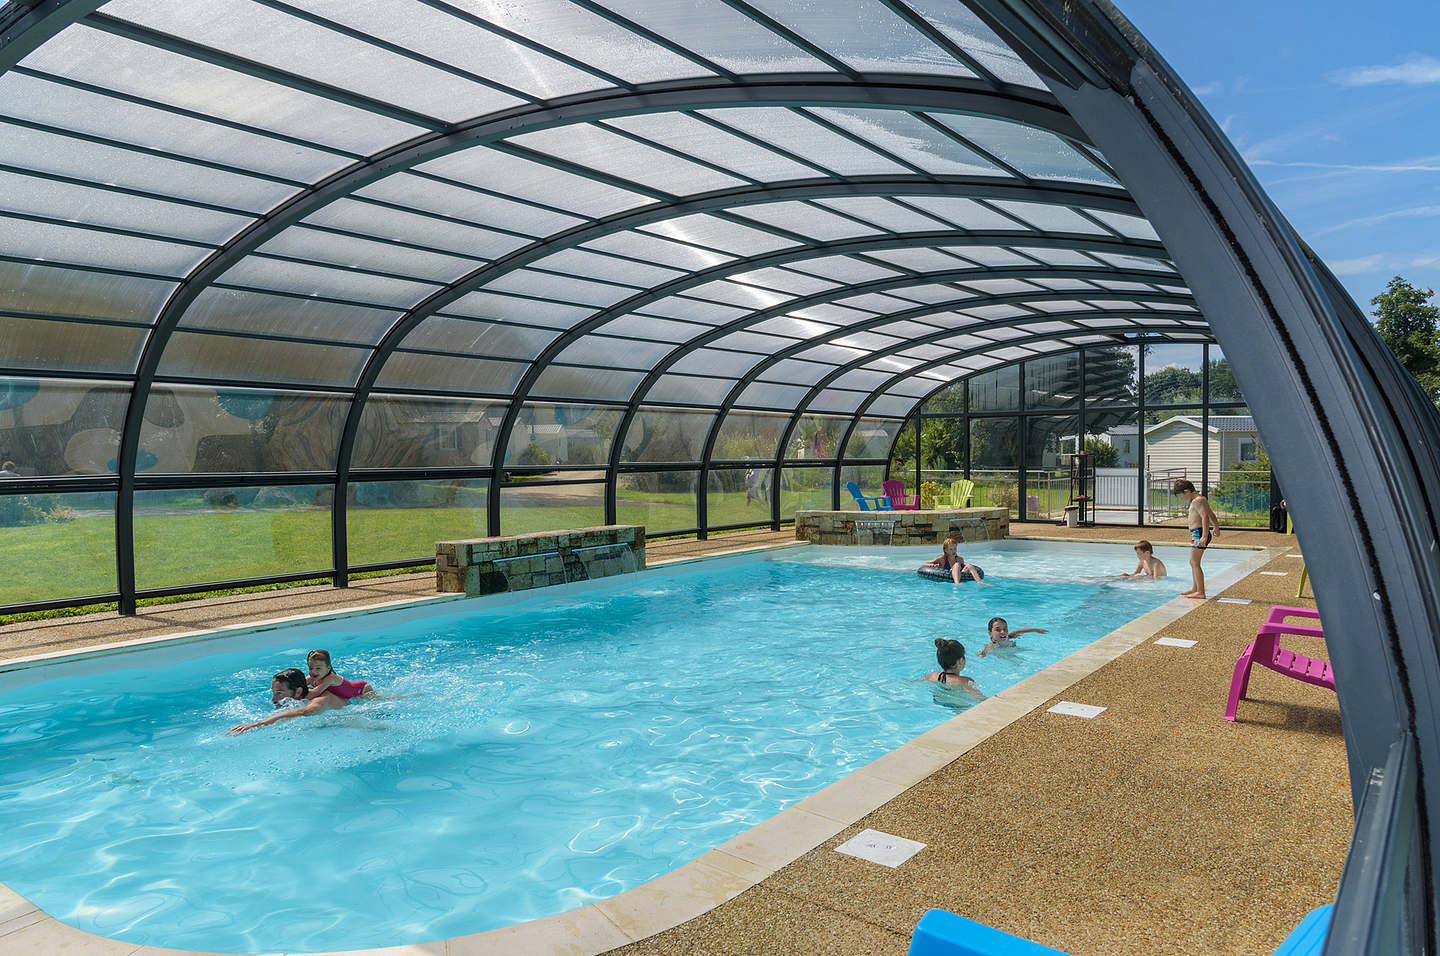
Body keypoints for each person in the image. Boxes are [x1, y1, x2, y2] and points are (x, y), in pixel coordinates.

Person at [227, 668, 359, 735]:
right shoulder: (302, 694)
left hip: (359, 723)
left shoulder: (321, 700)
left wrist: (257, 724)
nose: (273, 699)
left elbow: (304, 711)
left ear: (298, 692)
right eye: (273, 692)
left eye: (279, 693)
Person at [1173, 479, 1219, 599]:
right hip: (1198, 533)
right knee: (1193, 562)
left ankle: (1200, 592)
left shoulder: (1197, 501)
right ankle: (1195, 588)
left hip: (1199, 533)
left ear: (1187, 491)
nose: (1182, 499)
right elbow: (1211, 514)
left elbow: (1205, 517)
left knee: (1195, 563)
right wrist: (1216, 528)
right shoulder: (1202, 499)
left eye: (1181, 496)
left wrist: (1204, 536)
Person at [305, 648, 374, 702]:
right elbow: (297, 684)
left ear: (328, 668)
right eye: (310, 668)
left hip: (362, 690)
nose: (313, 671)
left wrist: (300, 701)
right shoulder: (311, 679)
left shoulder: (330, 677)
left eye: (318, 668)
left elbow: (316, 692)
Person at [921, 538, 985, 584]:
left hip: (958, 574)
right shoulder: (941, 559)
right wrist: (929, 565)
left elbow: (963, 569)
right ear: (945, 550)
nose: (953, 551)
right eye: (951, 549)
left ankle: (980, 582)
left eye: (955, 548)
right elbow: (923, 564)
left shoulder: (960, 559)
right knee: (956, 565)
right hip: (945, 575)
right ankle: (957, 583)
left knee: (969, 565)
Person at [977, 617, 1048, 657]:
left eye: (1005, 629)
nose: (1003, 632)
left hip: (1016, 650)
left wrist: (1036, 630)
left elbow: (1020, 631)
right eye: (998, 630)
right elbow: (983, 653)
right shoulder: (991, 645)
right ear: (990, 634)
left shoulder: (1009, 636)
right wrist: (982, 654)